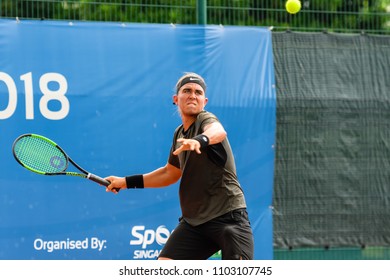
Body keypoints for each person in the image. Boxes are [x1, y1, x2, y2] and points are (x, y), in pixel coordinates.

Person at [105, 72, 254, 260]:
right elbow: (169, 173)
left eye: (198, 92)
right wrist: (124, 182)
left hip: (229, 218)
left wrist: (201, 140)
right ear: (176, 99)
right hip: (195, 224)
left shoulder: (205, 120)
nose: (193, 95)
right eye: (187, 90)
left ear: (204, 101)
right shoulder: (179, 135)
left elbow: (218, 131)